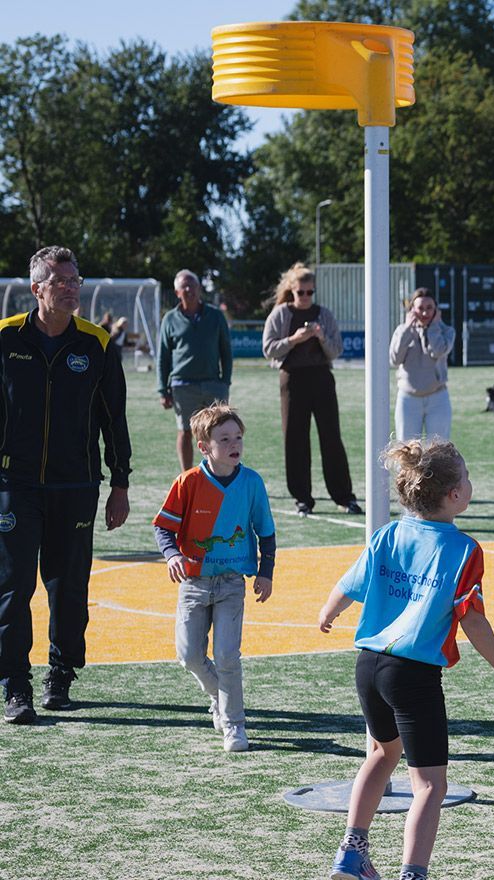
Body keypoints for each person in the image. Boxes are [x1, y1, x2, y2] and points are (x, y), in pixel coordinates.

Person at [318, 439, 494, 880]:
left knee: (381, 754)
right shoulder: (464, 549)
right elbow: (472, 620)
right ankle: (413, 874)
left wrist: (329, 611)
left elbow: (349, 586)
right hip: (413, 674)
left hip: (369, 664)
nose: (470, 485)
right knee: (430, 784)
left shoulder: (389, 533)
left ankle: (352, 852)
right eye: (466, 479)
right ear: (453, 495)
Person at [0, 246, 133, 723]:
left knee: (68, 587)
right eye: (61, 281)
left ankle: (61, 673)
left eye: (76, 280)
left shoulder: (96, 343)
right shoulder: (5, 339)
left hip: (76, 484)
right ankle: (16, 684)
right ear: (37, 289)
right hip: (13, 483)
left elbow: (113, 419)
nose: (72, 288)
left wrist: (120, 483)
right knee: (13, 587)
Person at [154, 404, 275, 752]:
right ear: (204, 446)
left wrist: (265, 573)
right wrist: (173, 555)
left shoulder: (252, 482)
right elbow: (164, 528)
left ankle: (234, 725)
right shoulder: (189, 482)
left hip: (232, 584)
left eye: (238, 437)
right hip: (193, 583)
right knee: (189, 655)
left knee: (227, 655)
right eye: (224, 439)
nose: (234, 444)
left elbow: (266, 532)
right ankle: (219, 699)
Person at [262, 263, 361, 517]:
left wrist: (320, 337)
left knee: (331, 438)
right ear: (292, 290)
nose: (305, 297)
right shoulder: (281, 314)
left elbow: (336, 350)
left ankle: (344, 496)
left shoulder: (324, 314)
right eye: (301, 292)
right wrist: (294, 339)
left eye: (310, 292)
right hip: (292, 380)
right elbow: (268, 349)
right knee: (295, 439)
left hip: (321, 378)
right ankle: (302, 498)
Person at [158, 270, 234, 473]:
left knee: (219, 431)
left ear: (200, 289)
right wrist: (162, 390)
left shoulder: (216, 316)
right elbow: (163, 357)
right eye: (185, 286)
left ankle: (218, 471)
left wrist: (224, 382)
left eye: (193, 285)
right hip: (182, 386)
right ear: (177, 291)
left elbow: (226, 351)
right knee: (185, 431)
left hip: (213, 384)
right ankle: (187, 476)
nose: (189, 290)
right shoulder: (169, 319)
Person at [391, 288, 456, 441]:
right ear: (412, 309)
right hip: (408, 399)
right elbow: (395, 359)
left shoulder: (447, 331)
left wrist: (433, 328)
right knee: (407, 453)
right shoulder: (402, 331)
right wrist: (408, 329)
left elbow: (438, 351)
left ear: (436, 310)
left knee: (439, 452)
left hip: (438, 398)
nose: (425, 313)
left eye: (429, 308)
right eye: (420, 308)